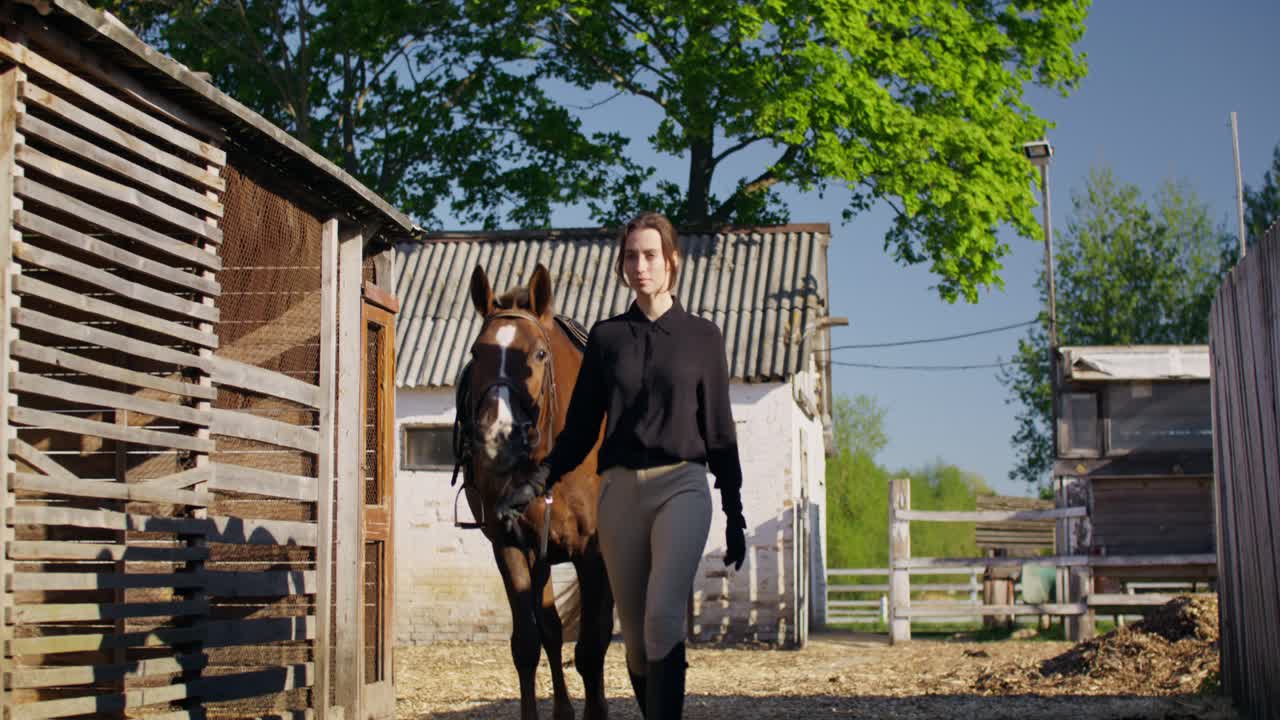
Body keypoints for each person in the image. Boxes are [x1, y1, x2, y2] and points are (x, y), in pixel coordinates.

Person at [497, 211, 747, 719]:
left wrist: (734, 511)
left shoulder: (703, 337)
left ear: (672, 261)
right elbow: (582, 428)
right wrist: (536, 482)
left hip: (682, 486)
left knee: (662, 617)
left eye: (650, 255)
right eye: (631, 256)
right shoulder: (607, 339)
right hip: (620, 494)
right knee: (634, 638)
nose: (640, 265)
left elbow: (719, 431)